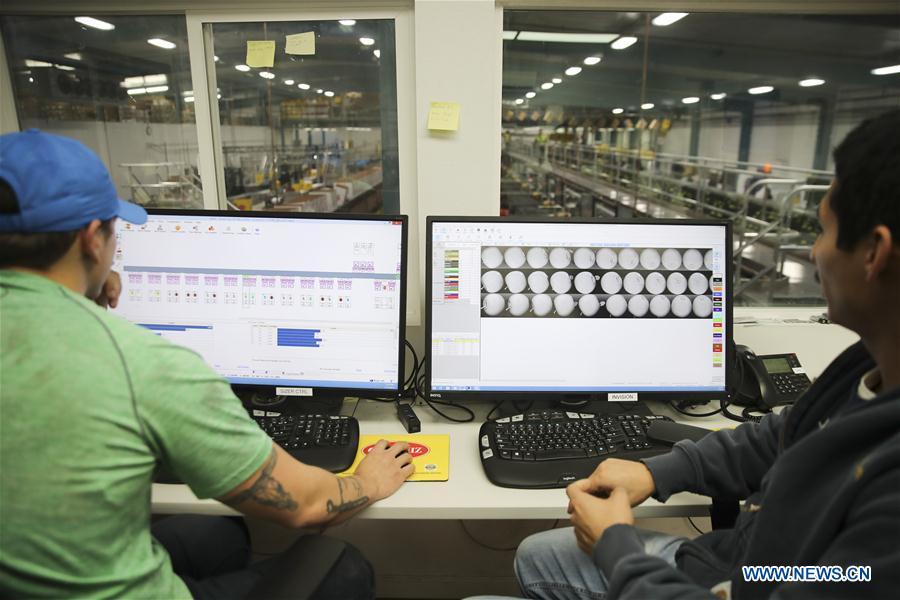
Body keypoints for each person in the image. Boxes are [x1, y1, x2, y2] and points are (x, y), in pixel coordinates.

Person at [0, 130, 414, 599]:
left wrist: (85, 294)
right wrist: (367, 480)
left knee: (218, 533)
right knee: (343, 565)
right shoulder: (142, 364)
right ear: (92, 240)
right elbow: (307, 506)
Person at [507, 109, 900, 599]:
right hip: (749, 570)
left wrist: (616, 547)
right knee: (534, 554)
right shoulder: (868, 367)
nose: (815, 252)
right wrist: (655, 472)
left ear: (874, 253)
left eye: (822, 230)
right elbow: (782, 435)